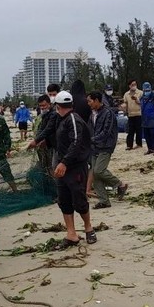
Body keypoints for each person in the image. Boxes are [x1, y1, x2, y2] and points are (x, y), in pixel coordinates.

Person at [52, 91, 95, 246]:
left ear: (58, 106)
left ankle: (88, 228)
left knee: (79, 200)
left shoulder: (73, 120)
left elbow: (76, 143)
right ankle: (71, 233)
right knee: (64, 200)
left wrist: (64, 162)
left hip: (75, 167)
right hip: (62, 167)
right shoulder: (60, 119)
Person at [87, 91, 127, 209]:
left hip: (105, 146)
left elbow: (106, 132)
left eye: (90, 101)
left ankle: (119, 184)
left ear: (97, 100)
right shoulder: (92, 114)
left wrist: (92, 140)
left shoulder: (108, 113)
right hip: (94, 147)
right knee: (95, 173)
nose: (88, 104)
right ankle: (104, 200)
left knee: (99, 171)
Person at [140, 82, 154, 155]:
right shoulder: (142, 98)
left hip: (152, 119)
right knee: (146, 135)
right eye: (145, 91)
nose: (146, 92)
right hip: (144, 119)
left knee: (153, 134)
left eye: (148, 90)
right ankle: (150, 148)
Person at [122, 79, 144, 150]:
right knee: (130, 130)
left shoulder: (140, 93)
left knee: (138, 130)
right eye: (132, 85)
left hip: (139, 114)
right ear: (129, 86)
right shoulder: (126, 94)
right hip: (130, 114)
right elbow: (125, 103)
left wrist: (137, 100)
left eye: (135, 84)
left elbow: (143, 103)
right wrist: (123, 107)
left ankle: (139, 144)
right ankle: (129, 145)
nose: (134, 86)